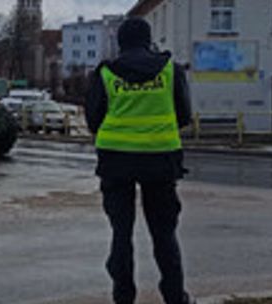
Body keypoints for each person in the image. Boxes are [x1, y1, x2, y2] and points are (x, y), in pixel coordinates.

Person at [85, 18, 193, 304]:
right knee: (164, 234)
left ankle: (123, 296)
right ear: (148, 41)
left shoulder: (106, 72)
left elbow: (93, 120)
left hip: (115, 161)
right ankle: (174, 297)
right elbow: (184, 115)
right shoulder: (171, 70)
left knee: (121, 233)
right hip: (160, 160)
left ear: (121, 43)